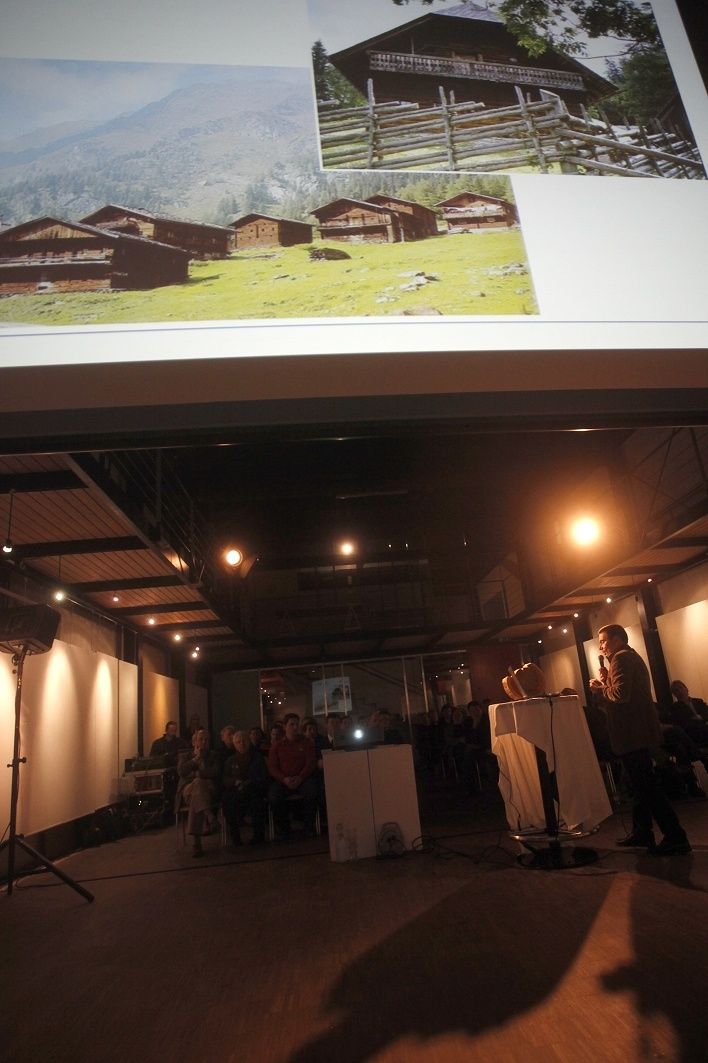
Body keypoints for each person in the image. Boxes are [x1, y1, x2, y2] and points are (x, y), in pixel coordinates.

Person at [589, 624, 691, 856]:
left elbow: (620, 695)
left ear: (617, 639)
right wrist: (608, 683)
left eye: (603, 641)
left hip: (632, 734)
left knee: (647, 786)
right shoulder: (629, 657)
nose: (601, 646)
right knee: (638, 785)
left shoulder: (621, 658)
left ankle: (676, 836)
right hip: (637, 732)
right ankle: (642, 830)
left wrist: (600, 688)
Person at [267, 712, 318, 839]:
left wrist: (300, 777)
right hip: (284, 780)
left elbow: (310, 763)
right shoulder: (277, 745)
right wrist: (284, 779)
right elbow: (272, 766)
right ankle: (283, 829)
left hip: (303, 779)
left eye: (297, 724)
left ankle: (309, 827)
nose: (295, 727)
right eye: (292, 724)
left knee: (312, 792)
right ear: (285, 726)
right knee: (274, 797)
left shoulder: (306, 742)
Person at [176, 728, 221, 857]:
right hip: (187, 791)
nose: (204, 742)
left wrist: (197, 774)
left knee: (198, 788)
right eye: (201, 739)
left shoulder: (214, 755)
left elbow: (215, 772)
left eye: (206, 740)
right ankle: (210, 816)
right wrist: (196, 759)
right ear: (194, 742)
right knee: (197, 787)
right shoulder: (185, 756)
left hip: (208, 790)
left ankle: (197, 844)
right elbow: (181, 772)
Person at [222, 731, 268, 846]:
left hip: (254, 788)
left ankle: (258, 835)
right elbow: (225, 778)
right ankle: (235, 837)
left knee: (256, 801)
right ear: (234, 744)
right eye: (238, 742)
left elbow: (263, 776)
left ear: (248, 742)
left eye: (244, 741)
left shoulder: (257, 758)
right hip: (236, 789)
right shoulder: (230, 760)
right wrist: (235, 782)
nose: (241, 744)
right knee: (227, 801)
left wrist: (248, 783)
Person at [667, 681, 708, 745]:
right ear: (674, 694)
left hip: (704, 726)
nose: (680, 691)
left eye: (681, 688)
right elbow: (682, 723)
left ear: (686, 688)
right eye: (676, 690)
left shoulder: (699, 701)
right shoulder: (674, 708)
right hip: (692, 733)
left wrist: (701, 717)